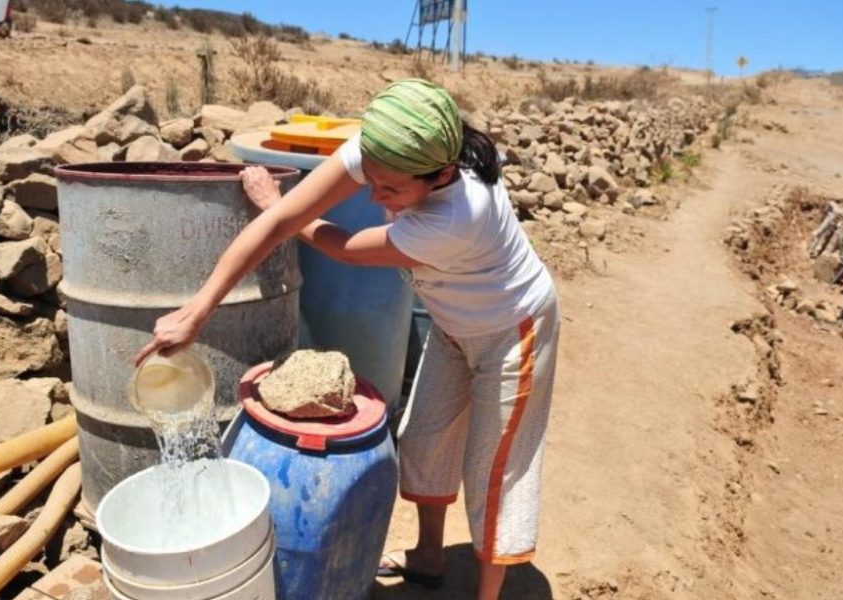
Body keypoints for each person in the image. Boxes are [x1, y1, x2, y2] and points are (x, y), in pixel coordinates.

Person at [135, 78, 560, 600]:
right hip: (455, 324)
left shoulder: (457, 218)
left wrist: (279, 208)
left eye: (392, 191)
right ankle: (429, 559)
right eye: (371, 181)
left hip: (511, 329)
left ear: (442, 173)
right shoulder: (389, 146)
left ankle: (487, 594)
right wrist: (197, 310)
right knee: (425, 438)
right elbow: (287, 220)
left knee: (495, 468)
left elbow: (339, 244)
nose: (377, 197)